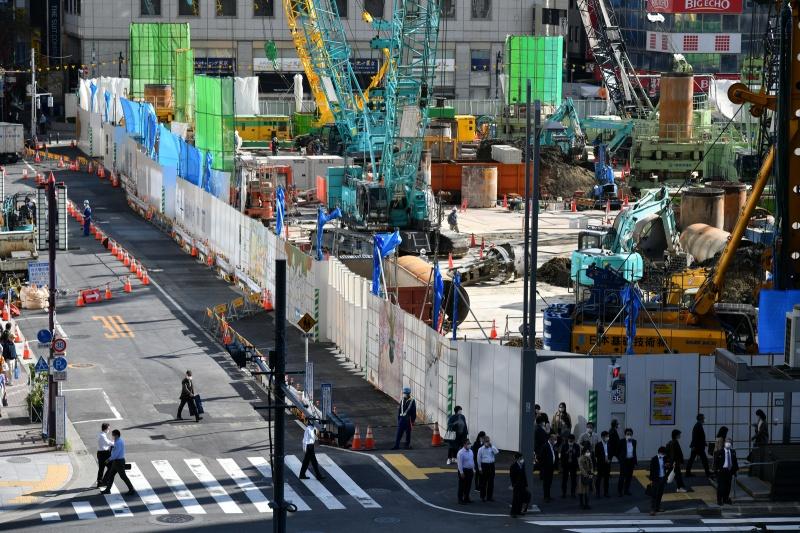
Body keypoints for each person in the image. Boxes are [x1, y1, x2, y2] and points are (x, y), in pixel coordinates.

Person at [101, 430, 135, 494]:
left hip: (118, 462)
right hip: (116, 462)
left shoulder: (118, 442)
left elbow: (116, 454)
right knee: (111, 475)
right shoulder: (118, 440)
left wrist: (108, 459)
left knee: (123, 476)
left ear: (116, 435)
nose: (112, 436)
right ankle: (108, 490)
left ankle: (131, 489)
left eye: (113, 435)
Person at [713, 437, 738, 505]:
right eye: (727, 442)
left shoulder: (733, 452)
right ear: (724, 443)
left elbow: (735, 462)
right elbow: (716, 462)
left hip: (729, 471)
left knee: (728, 486)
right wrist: (716, 471)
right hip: (721, 471)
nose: (728, 443)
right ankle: (719, 500)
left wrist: (735, 471)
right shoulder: (720, 452)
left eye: (730, 442)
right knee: (721, 486)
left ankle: (726, 499)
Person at [686, 413, 711, 478]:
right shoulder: (698, 426)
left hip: (697, 446)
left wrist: (704, 443)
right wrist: (694, 445)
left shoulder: (698, 425)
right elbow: (695, 437)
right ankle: (707, 473)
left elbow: (699, 437)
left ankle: (687, 472)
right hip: (698, 447)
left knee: (692, 460)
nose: (704, 419)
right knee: (704, 460)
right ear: (701, 419)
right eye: (703, 418)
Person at [649, 446, 670, 515]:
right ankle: (652, 509)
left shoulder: (665, 458)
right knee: (654, 494)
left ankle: (657, 507)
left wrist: (667, 465)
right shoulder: (654, 459)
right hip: (656, 479)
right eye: (663, 453)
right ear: (660, 453)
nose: (664, 455)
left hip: (663, 478)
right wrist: (651, 480)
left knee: (660, 494)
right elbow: (651, 470)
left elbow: (668, 466)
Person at [477, 434, 498, 502]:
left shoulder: (492, 447)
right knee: (483, 482)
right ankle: (482, 496)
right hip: (484, 466)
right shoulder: (480, 449)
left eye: (488, 441)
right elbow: (478, 459)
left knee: (491, 482)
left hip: (491, 466)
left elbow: (496, 452)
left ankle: (489, 497)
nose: (487, 442)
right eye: (486, 441)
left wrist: (491, 446)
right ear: (483, 441)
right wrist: (480, 468)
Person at [538, 432, 558, 502]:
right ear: (550, 439)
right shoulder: (545, 446)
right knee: (546, 483)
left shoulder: (552, 446)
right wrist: (543, 466)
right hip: (546, 468)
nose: (555, 441)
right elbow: (541, 457)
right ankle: (545, 496)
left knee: (549, 482)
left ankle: (548, 496)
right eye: (554, 439)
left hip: (551, 468)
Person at [510, 452, 531, 517]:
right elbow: (512, 477)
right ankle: (513, 513)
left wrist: (526, 484)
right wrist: (513, 485)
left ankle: (520, 510)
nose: (522, 459)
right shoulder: (513, 466)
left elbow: (524, 475)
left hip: (522, 485)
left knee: (527, 496)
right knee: (516, 499)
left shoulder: (522, 465)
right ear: (518, 458)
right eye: (521, 458)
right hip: (517, 485)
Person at [618, 428, 637, 496]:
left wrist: (635, 461)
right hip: (624, 461)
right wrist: (620, 459)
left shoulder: (634, 441)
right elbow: (618, 451)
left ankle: (626, 490)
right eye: (627, 434)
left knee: (629, 477)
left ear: (632, 435)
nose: (629, 435)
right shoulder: (621, 441)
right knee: (622, 477)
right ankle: (620, 491)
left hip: (631, 461)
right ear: (625, 434)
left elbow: (634, 452)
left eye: (630, 434)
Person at [560, 433, 580, 498]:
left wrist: (574, 452)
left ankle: (573, 493)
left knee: (573, 480)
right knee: (564, 479)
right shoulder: (564, 446)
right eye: (570, 440)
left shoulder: (576, 446)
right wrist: (567, 452)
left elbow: (578, 454)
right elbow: (562, 455)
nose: (571, 441)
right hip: (566, 464)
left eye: (572, 440)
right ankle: (564, 493)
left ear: (574, 440)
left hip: (573, 465)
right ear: (568, 440)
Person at [456, 439, 474, 504]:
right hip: (464, 471)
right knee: (462, 485)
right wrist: (461, 472)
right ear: (464, 444)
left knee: (468, 485)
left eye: (469, 443)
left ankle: (466, 498)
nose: (469, 445)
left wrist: (473, 469)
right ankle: (460, 499)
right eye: (468, 443)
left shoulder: (471, 451)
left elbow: (472, 461)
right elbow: (459, 463)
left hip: (470, 470)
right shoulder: (460, 453)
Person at [594, 430, 612, 497]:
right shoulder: (598, 445)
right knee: (599, 478)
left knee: (606, 479)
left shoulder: (609, 444)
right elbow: (596, 455)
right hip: (601, 464)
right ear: (602, 437)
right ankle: (598, 492)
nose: (607, 437)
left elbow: (611, 454)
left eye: (608, 436)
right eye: (606, 436)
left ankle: (606, 492)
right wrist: (602, 460)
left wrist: (609, 459)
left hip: (607, 464)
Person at [577, 444, 595, 510]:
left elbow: (592, 466)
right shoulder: (580, 458)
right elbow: (581, 468)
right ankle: (581, 503)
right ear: (584, 452)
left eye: (589, 451)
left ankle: (586, 504)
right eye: (587, 452)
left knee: (587, 491)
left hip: (589, 475)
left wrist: (592, 472)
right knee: (581, 491)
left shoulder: (589, 458)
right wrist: (587, 475)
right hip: (583, 476)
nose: (588, 453)